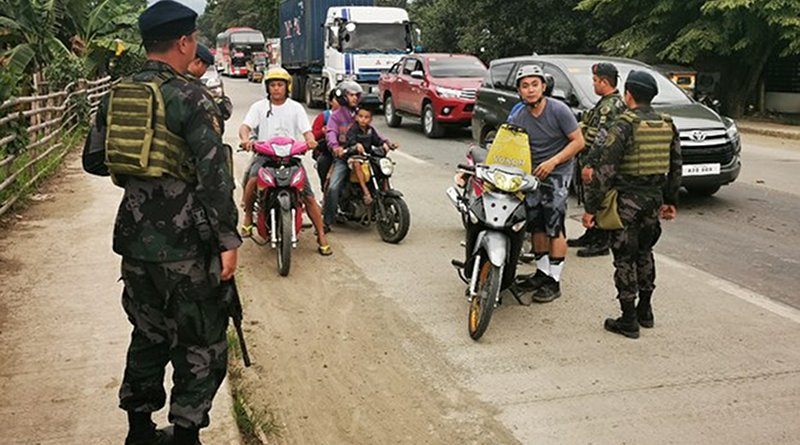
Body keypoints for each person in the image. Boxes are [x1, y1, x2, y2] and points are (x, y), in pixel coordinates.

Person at [88, 1, 241, 444]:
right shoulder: (193, 97)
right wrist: (227, 239)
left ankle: (138, 431)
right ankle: (186, 433)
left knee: (148, 334)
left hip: (135, 243)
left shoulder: (117, 94)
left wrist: (143, 171)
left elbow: (95, 161)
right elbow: (215, 177)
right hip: (188, 246)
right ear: (183, 41)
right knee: (201, 341)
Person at [582, 70, 682, 339]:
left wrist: (591, 208)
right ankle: (646, 311)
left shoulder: (624, 124)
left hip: (626, 201)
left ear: (628, 95)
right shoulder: (667, 123)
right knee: (645, 252)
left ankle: (628, 319)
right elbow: (676, 166)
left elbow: (605, 169)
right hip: (653, 200)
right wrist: (670, 201)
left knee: (625, 256)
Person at [238, 67, 332, 255]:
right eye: (272, 85)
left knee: (308, 196)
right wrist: (245, 139)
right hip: (265, 156)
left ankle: (321, 235)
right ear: (267, 88)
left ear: (287, 87)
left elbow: (307, 132)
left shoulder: (296, 108)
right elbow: (245, 126)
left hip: (291, 157)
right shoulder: (259, 107)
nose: (276, 89)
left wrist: (310, 140)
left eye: (280, 85)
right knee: (252, 181)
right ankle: (248, 216)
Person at [511, 64, 585, 303]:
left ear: (543, 86)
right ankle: (542, 273)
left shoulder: (559, 110)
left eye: (535, 84)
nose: (530, 90)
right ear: (519, 91)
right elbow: (509, 144)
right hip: (532, 175)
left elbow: (578, 142)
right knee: (536, 224)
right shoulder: (519, 115)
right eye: (525, 86)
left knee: (554, 224)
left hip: (557, 173)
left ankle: (554, 280)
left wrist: (553, 162)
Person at [568, 62, 627, 258]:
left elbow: (602, 139)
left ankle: (601, 241)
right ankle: (591, 234)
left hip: (600, 162)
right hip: (593, 158)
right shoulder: (607, 102)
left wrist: (591, 164)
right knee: (590, 196)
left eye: (595, 81)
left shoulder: (609, 107)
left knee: (599, 197)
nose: (593, 84)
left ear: (604, 81)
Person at [322, 80, 363, 231]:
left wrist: (385, 142)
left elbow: (372, 130)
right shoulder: (336, 116)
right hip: (345, 156)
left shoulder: (361, 114)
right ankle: (327, 221)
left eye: (356, 95)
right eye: (351, 95)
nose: (354, 98)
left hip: (363, 154)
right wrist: (336, 147)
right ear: (343, 97)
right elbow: (331, 132)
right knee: (333, 188)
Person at [344, 107, 397, 204]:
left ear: (371, 119)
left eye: (366, 117)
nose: (363, 119)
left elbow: (378, 141)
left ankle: (385, 187)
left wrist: (387, 145)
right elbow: (350, 141)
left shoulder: (370, 130)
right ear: (356, 117)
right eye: (360, 116)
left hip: (368, 156)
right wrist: (356, 145)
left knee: (383, 161)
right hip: (355, 156)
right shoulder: (352, 130)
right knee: (356, 163)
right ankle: (366, 192)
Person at [187, 43, 233, 125]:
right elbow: (225, 110)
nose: (204, 72)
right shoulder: (198, 88)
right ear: (198, 63)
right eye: (206, 67)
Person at [311, 89, 340, 190]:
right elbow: (313, 135)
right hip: (327, 151)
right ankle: (326, 190)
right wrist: (322, 132)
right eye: (337, 99)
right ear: (331, 102)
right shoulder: (324, 116)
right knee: (323, 162)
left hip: (346, 149)